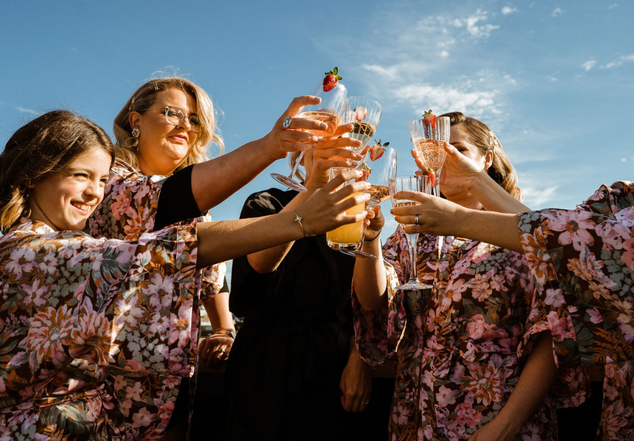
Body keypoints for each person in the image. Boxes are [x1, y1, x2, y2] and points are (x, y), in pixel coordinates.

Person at [391, 50, 634, 439]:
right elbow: (556, 241)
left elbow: (573, 243)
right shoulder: (618, 201)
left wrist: (458, 217)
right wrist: (474, 182)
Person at [0, 110, 369, 440]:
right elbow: (166, 251)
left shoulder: (54, 244)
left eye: (102, 181)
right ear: (34, 174)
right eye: (82, 176)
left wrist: (223, 330)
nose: (96, 193)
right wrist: (298, 220)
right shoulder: (28, 253)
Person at [84, 74, 328, 435]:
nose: (186, 125)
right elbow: (168, 201)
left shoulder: (198, 209)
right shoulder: (107, 179)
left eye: (194, 120)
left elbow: (213, 281)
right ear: (135, 120)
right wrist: (272, 146)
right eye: (173, 113)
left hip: (172, 383)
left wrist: (224, 330)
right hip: (104, 382)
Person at [352, 112, 583, 441]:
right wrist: (370, 239)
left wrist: (507, 425)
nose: (444, 159)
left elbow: (554, 333)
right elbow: (373, 300)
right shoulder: (410, 232)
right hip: (417, 411)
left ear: (487, 159)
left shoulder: (520, 231)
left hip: (498, 412)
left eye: (456, 148)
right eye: (435, 150)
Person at [222, 129, 388, 440]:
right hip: (263, 366)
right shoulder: (267, 203)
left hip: (331, 368)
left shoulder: (355, 216)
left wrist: (359, 357)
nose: (333, 158)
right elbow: (260, 264)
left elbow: (367, 303)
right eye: (323, 149)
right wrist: (313, 189)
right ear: (302, 157)